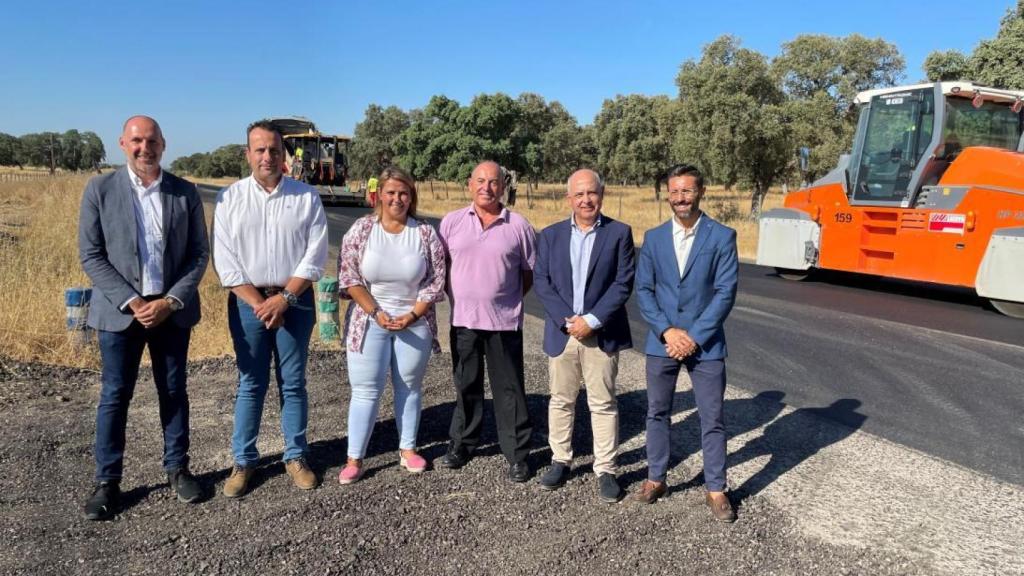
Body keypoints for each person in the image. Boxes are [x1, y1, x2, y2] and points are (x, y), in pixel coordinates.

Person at [78, 115, 210, 520]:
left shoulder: (184, 192)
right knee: (116, 396)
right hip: (121, 313)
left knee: (173, 390)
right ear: (122, 143)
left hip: (170, 311)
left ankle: (178, 469)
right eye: (136, 141)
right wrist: (133, 302)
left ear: (163, 144)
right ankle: (107, 482)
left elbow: (198, 254)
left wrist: (170, 300)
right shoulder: (100, 190)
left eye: (151, 141)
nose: (144, 148)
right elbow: (92, 255)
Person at [213, 120, 328, 498]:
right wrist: (262, 303)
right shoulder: (229, 199)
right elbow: (226, 263)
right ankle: (243, 461)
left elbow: (315, 255)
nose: (267, 156)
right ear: (247, 154)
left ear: (285, 155)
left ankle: (295, 456)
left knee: (293, 383)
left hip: (295, 303)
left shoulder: (306, 197)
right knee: (251, 383)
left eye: (274, 150)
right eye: (259, 149)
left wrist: (285, 299)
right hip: (249, 304)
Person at [633, 163, 739, 522]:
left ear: (701, 192)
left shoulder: (722, 236)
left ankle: (716, 488)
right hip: (661, 342)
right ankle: (656, 478)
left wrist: (692, 336)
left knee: (712, 417)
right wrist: (667, 331)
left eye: (687, 191)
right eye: (675, 191)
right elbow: (644, 290)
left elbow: (725, 293)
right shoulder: (653, 238)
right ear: (667, 194)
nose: (680, 198)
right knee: (657, 413)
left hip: (705, 345)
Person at [336, 166, 446, 483]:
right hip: (369, 319)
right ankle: (355, 458)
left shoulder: (424, 233)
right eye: (391, 192)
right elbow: (350, 277)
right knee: (366, 390)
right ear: (380, 195)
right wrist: (376, 312)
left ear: (411, 196)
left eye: (403, 193)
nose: (397, 198)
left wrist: (411, 315)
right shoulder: (362, 230)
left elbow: (434, 282)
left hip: (414, 321)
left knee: (409, 387)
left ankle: (408, 449)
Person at [533, 169, 635, 503]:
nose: (586, 200)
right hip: (563, 334)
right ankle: (560, 460)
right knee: (561, 400)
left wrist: (591, 320)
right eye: (579, 194)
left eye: (591, 193)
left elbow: (622, 283)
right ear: (569, 199)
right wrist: (569, 321)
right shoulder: (550, 236)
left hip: (601, 334)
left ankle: (606, 469)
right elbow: (542, 282)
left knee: (603, 403)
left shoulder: (620, 234)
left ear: (601, 195)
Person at [438, 160, 537, 482]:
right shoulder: (451, 223)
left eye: (493, 182)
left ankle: (518, 455)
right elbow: (441, 267)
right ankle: (462, 444)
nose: (487, 187)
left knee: (509, 390)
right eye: (480, 181)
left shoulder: (518, 225)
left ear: (503, 186)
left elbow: (528, 274)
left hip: (504, 323)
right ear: (470, 184)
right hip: (463, 321)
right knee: (466, 384)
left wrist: (502, 300)